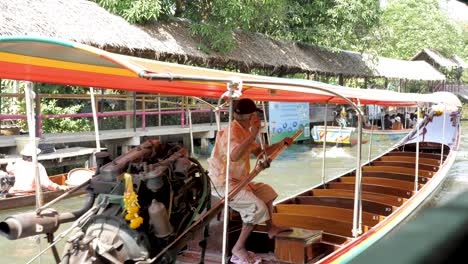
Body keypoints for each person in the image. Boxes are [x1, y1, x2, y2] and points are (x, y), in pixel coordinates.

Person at [207, 98, 292, 264]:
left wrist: (282, 144)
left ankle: (271, 228)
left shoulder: (243, 131)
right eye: (255, 114)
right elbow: (235, 155)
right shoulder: (231, 132)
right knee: (257, 207)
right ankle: (238, 248)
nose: (257, 117)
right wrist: (254, 132)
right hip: (223, 184)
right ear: (250, 116)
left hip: (239, 181)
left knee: (268, 192)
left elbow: (260, 153)